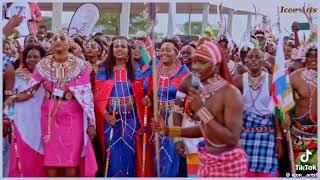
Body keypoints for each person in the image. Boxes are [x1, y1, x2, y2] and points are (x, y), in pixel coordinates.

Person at [151, 41, 248, 177]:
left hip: (228, 163)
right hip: (207, 160)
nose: (195, 67)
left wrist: (201, 111)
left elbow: (231, 138)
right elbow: (204, 129)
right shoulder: (206, 91)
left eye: (202, 62)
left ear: (216, 65)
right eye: (195, 61)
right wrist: (169, 130)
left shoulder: (230, 94)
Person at [21, 31, 97, 177]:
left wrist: (91, 122)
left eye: (62, 38)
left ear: (69, 44)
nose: (58, 40)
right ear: (51, 44)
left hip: (73, 115)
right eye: (55, 38)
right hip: (48, 115)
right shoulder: (43, 64)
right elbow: (31, 90)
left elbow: (87, 96)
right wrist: (13, 98)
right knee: (50, 159)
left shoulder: (81, 65)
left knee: (71, 159)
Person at [93, 36, 146, 177]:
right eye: (116, 46)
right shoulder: (104, 69)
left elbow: (141, 95)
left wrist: (141, 120)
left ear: (128, 50)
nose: (119, 49)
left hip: (130, 120)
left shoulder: (135, 70)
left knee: (130, 155)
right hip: (111, 120)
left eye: (123, 46)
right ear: (111, 50)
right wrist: (106, 115)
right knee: (113, 157)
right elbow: (98, 98)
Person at [234, 48, 282, 177]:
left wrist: (279, 139)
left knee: (266, 173)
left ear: (263, 60)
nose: (254, 59)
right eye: (250, 57)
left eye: (257, 57)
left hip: (267, 135)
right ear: (245, 60)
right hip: (245, 135)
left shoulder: (272, 80)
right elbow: (232, 112)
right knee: (244, 172)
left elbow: (277, 112)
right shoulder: (238, 81)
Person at [4, 45, 46, 177]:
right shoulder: (15, 74)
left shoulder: (48, 76)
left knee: (39, 154)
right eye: (28, 56)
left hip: (40, 122)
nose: (31, 60)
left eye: (35, 57)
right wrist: (8, 119)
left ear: (42, 58)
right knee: (19, 155)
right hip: (20, 122)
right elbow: (8, 99)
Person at [154, 38, 190, 177]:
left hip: (174, 119)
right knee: (158, 157)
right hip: (157, 119)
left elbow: (187, 99)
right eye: (162, 50)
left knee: (171, 158)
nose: (164, 53)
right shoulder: (155, 69)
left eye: (168, 50)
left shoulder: (184, 72)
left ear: (176, 52)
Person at [289, 44, 317, 176]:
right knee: (305, 173)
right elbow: (281, 105)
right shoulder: (293, 77)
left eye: (316, 55)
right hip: (301, 135)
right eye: (309, 55)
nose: (313, 58)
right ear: (304, 58)